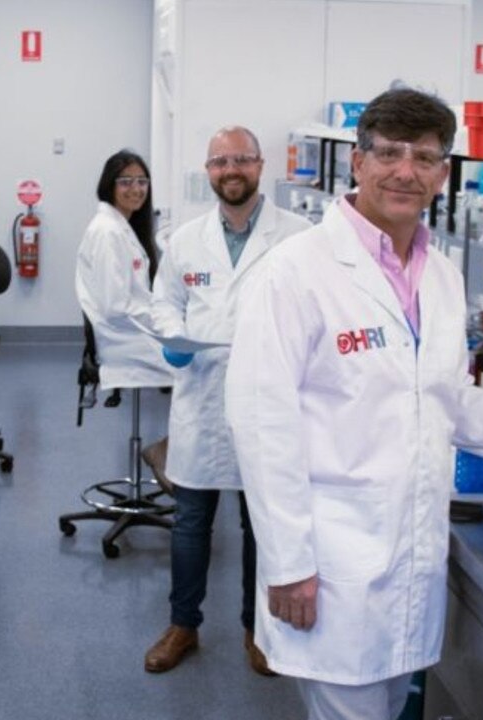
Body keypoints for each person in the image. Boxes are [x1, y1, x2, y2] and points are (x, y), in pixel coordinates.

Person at [225, 88, 483, 720]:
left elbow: (439, 394)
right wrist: (288, 565)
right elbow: (260, 426)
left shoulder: (439, 275)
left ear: (444, 174)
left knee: (388, 704)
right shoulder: (295, 273)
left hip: (407, 557)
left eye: (424, 157)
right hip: (331, 562)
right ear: (358, 162)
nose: (405, 171)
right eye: (388, 152)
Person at [145, 127, 311, 676]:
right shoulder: (185, 240)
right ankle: (182, 625)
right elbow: (164, 302)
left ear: (261, 165)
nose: (230, 169)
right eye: (220, 161)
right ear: (208, 170)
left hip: (270, 404)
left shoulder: (300, 237)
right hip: (200, 398)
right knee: (191, 522)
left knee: (259, 522)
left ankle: (256, 629)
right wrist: (172, 338)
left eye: (241, 159)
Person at [76, 149, 173, 392]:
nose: (136, 189)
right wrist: (162, 320)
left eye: (142, 181)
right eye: (126, 182)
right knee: (198, 367)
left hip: (131, 329)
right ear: (110, 185)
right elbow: (115, 306)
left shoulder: (121, 227)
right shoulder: (108, 232)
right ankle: (182, 432)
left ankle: (181, 432)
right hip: (122, 337)